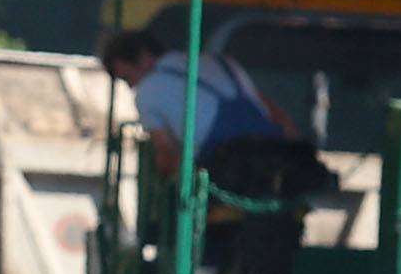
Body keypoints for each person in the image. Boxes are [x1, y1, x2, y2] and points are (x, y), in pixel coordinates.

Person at [102, 21, 284, 179]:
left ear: (144, 58)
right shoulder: (222, 63)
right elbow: (275, 113)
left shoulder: (146, 93)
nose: (131, 87)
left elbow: (166, 155)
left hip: (228, 171)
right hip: (277, 158)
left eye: (127, 78)